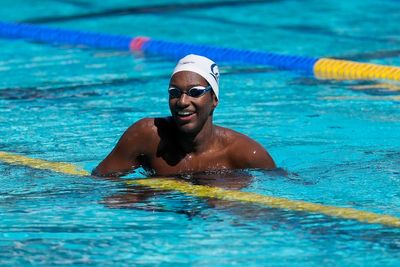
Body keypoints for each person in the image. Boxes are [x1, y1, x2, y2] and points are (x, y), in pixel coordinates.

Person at [92, 54, 275, 178]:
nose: (182, 101)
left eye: (195, 92)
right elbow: (99, 184)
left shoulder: (245, 154)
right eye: (174, 92)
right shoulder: (146, 136)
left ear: (214, 99)